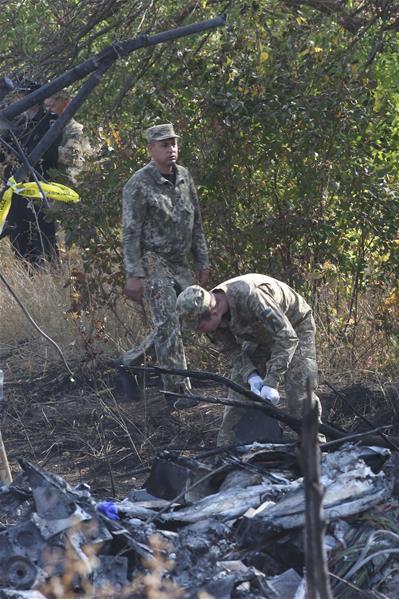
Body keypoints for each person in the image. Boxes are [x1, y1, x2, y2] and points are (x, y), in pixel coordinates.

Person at [120, 123, 210, 402]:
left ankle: (130, 363)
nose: (171, 149)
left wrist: (202, 259)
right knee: (168, 322)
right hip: (153, 260)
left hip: (179, 261)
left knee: (191, 315)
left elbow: (196, 221)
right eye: (164, 145)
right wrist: (134, 273)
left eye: (173, 143)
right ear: (150, 149)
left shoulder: (184, 176)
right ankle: (177, 391)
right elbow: (131, 232)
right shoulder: (139, 183)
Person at [176, 274, 320, 446]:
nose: (199, 332)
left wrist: (271, 382)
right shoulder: (210, 317)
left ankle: (316, 448)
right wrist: (251, 376)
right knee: (239, 391)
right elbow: (231, 350)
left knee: (299, 390)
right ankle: (226, 449)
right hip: (258, 336)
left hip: (295, 326)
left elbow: (286, 337)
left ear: (213, 312)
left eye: (199, 327)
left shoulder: (251, 296)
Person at [1, 77, 62, 264]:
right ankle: (29, 282)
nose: (19, 99)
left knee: (43, 240)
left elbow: (49, 154)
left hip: (40, 188)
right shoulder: (15, 123)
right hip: (15, 190)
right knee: (19, 240)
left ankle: (49, 279)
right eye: (18, 94)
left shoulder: (50, 121)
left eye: (24, 95)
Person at [44, 90, 92, 184]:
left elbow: (69, 158)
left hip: (59, 181)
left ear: (65, 103)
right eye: (47, 107)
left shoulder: (75, 130)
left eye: (52, 106)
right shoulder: (48, 124)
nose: (50, 111)